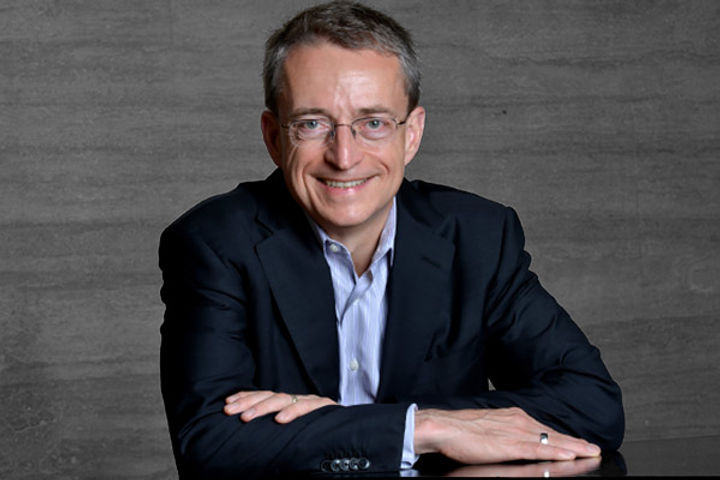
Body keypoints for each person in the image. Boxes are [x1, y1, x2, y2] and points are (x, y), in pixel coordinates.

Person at [158, 1, 624, 477]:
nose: (344, 156)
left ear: (412, 134)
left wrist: (387, 424)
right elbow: (208, 442)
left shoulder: (479, 238)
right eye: (312, 123)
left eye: (374, 123)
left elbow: (592, 403)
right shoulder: (214, 244)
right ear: (274, 138)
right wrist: (421, 428)